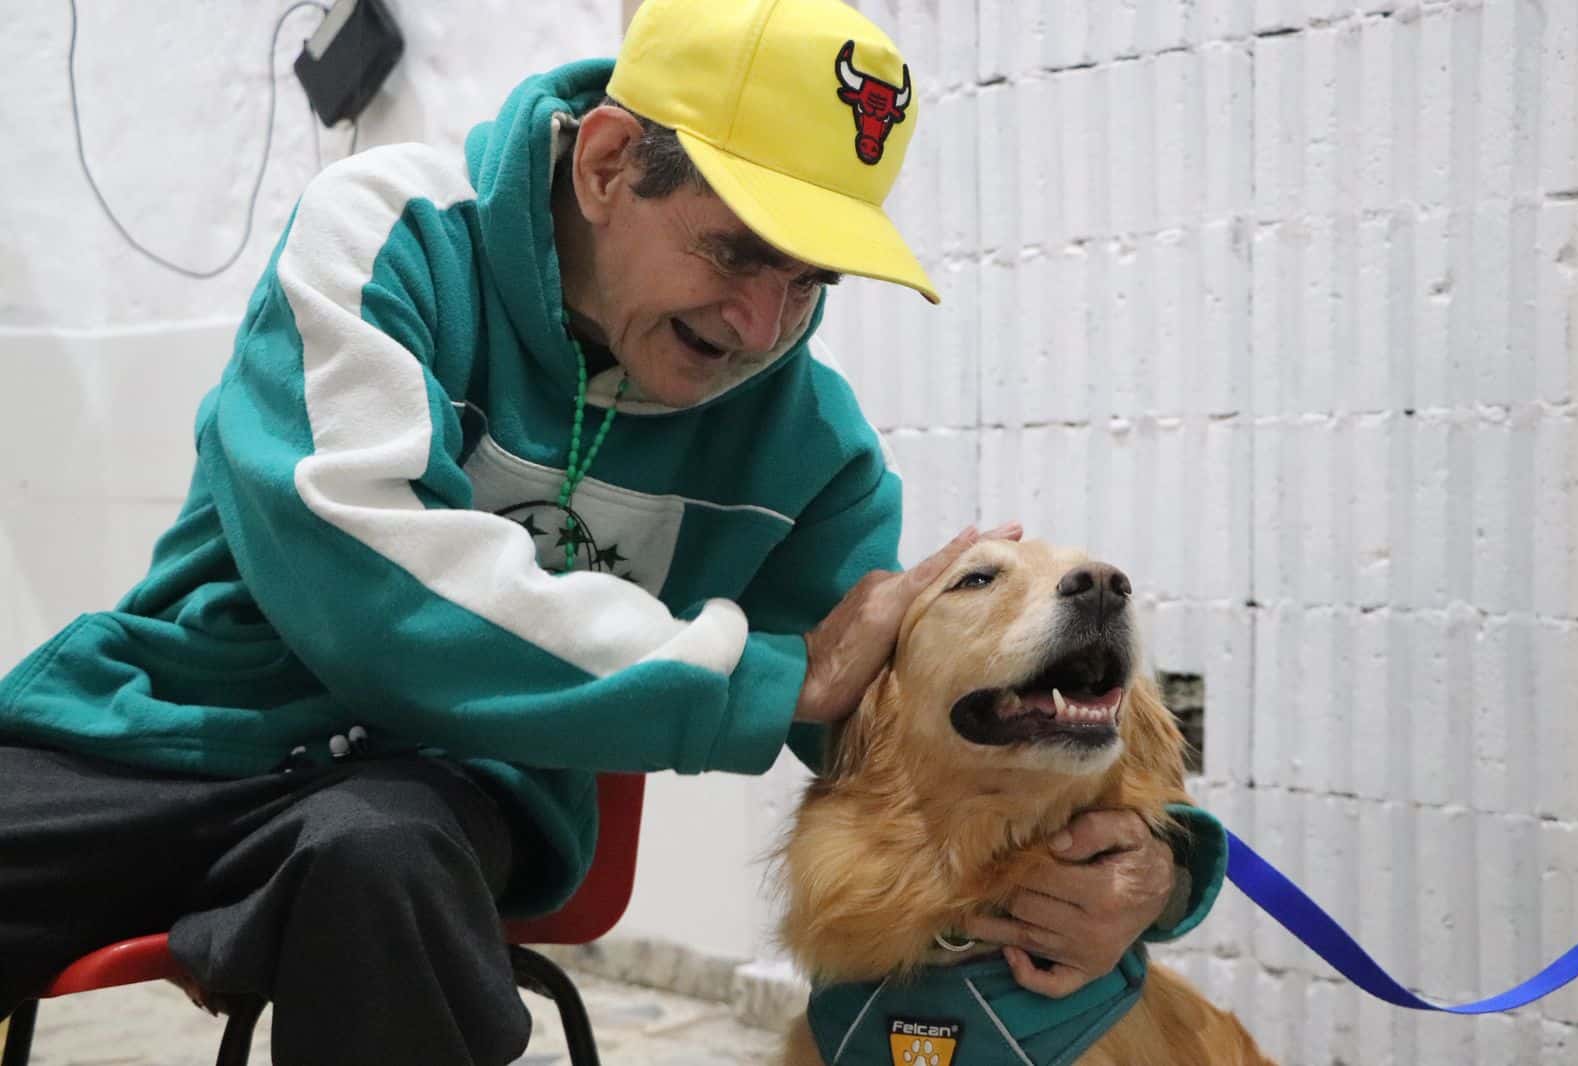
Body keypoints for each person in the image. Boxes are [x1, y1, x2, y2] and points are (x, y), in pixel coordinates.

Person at [0, 0, 1223, 1062]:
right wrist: (764, 675)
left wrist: (1163, 867)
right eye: (736, 249)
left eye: (808, 281)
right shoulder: (385, 233)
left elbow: (914, 713)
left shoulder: (814, 447)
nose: (761, 322)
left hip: (430, 798)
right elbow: (361, 581)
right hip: (168, 733)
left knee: (385, 856)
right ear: (608, 160)